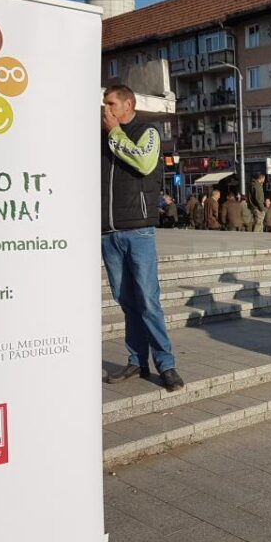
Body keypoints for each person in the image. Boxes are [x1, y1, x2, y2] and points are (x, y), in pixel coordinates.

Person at [100, 84, 183, 391]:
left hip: (138, 230)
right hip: (108, 233)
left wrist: (114, 134)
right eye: (104, 104)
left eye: (111, 104)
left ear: (128, 105)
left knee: (148, 301)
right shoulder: (99, 137)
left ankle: (167, 365)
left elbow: (145, 163)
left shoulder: (146, 131)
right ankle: (137, 360)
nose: (106, 110)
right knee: (127, 303)